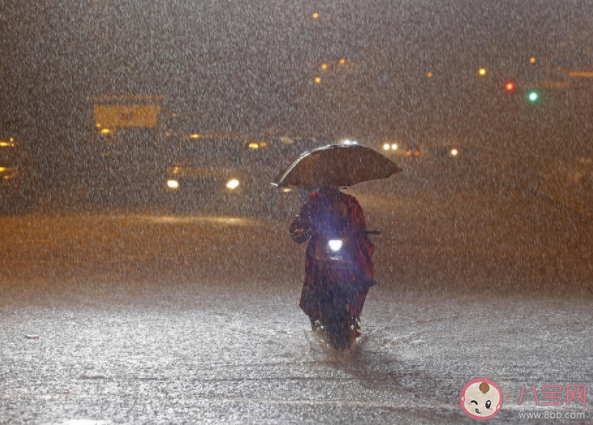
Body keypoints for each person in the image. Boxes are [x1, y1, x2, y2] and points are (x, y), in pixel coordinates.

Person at [289, 186, 375, 331]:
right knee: (313, 282)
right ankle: (316, 316)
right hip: (320, 253)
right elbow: (300, 222)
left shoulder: (350, 203)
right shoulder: (312, 203)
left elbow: (359, 224)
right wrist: (299, 231)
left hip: (345, 252)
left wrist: (354, 233)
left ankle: (354, 315)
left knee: (359, 278)